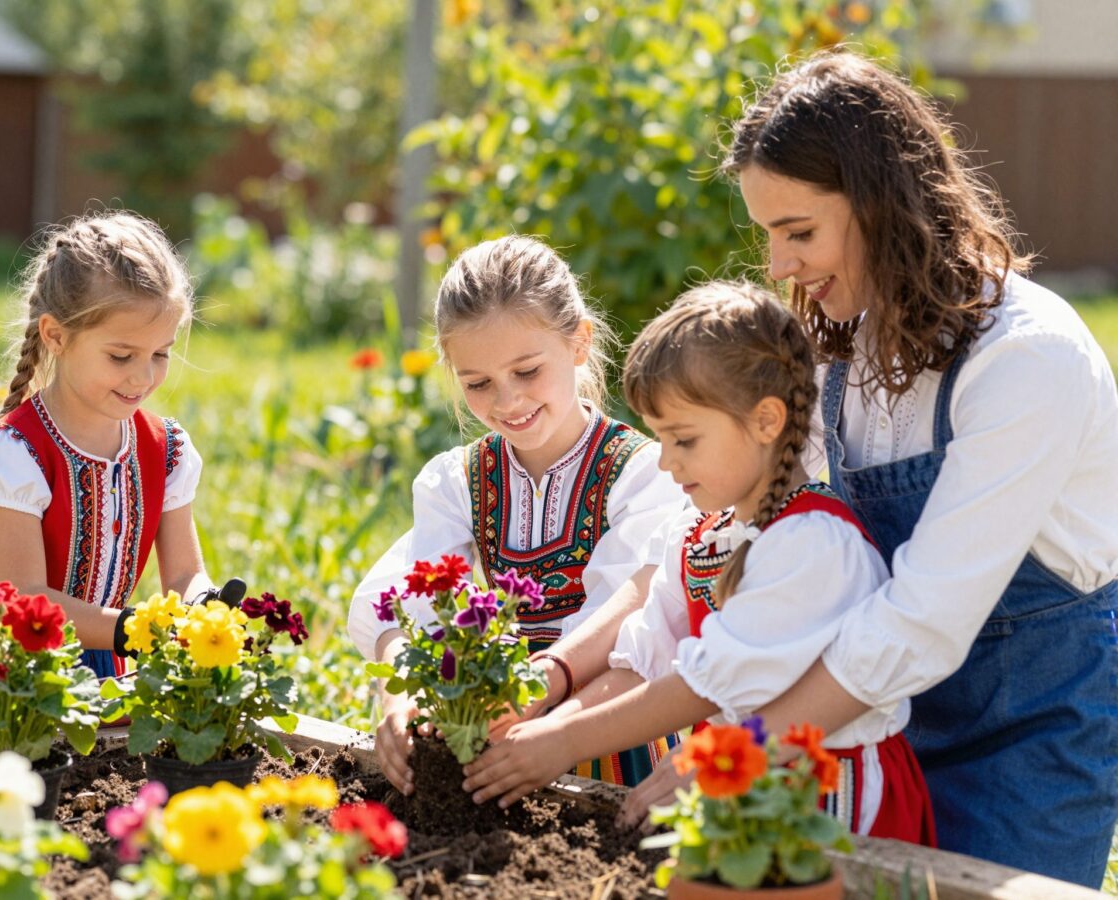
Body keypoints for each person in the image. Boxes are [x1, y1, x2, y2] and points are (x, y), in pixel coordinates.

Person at [687, 50, 1118, 886]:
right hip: (868, 724)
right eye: (768, 235)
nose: (777, 267)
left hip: (1028, 733)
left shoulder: (1027, 355)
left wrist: (746, 743)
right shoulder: (835, 348)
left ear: (885, 207)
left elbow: (924, 619)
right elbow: (753, 531)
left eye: (799, 232)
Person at [463, 282, 937, 845]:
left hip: (829, 793)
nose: (665, 462)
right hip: (732, 780)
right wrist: (542, 726)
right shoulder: (697, 530)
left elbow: (703, 685)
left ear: (766, 421)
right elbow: (642, 656)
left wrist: (563, 744)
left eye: (684, 440)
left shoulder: (812, 543)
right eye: (661, 439)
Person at [347, 235, 683, 794]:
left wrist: (544, 697)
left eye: (527, 371)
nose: (507, 403)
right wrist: (398, 699)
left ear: (578, 343)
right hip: (492, 754)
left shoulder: (643, 474)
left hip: (614, 748)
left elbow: (639, 618)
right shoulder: (459, 482)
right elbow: (411, 604)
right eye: (477, 384)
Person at [0, 212, 214, 722]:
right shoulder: (13, 455)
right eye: (121, 355)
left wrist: (204, 605)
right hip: (3, 663)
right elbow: (24, 600)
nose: (143, 376)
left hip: (103, 654)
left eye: (161, 354)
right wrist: (136, 628)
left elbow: (185, 571)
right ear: (55, 336)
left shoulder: (165, 451)